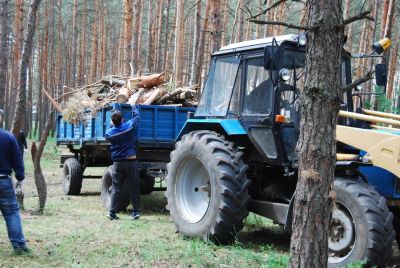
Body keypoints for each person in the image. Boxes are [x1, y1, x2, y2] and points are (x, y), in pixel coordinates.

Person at [0, 108, 29, 254]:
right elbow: (17, 159)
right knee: (11, 213)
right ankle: (18, 245)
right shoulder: (9, 137)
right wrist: (20, 176)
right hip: (3, 181)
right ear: (1, 118)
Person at [105, 105, 141, 220]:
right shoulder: (128, 127)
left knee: (116, 188)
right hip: (131, 162)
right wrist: (134, 107)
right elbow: (136, 118)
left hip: (118, 164)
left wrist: (112, 125)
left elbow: (108, 134)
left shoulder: (109, 133)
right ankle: (136, 212)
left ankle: (112, 212)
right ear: (122, 120)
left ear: (112, 121)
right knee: (134, 187)